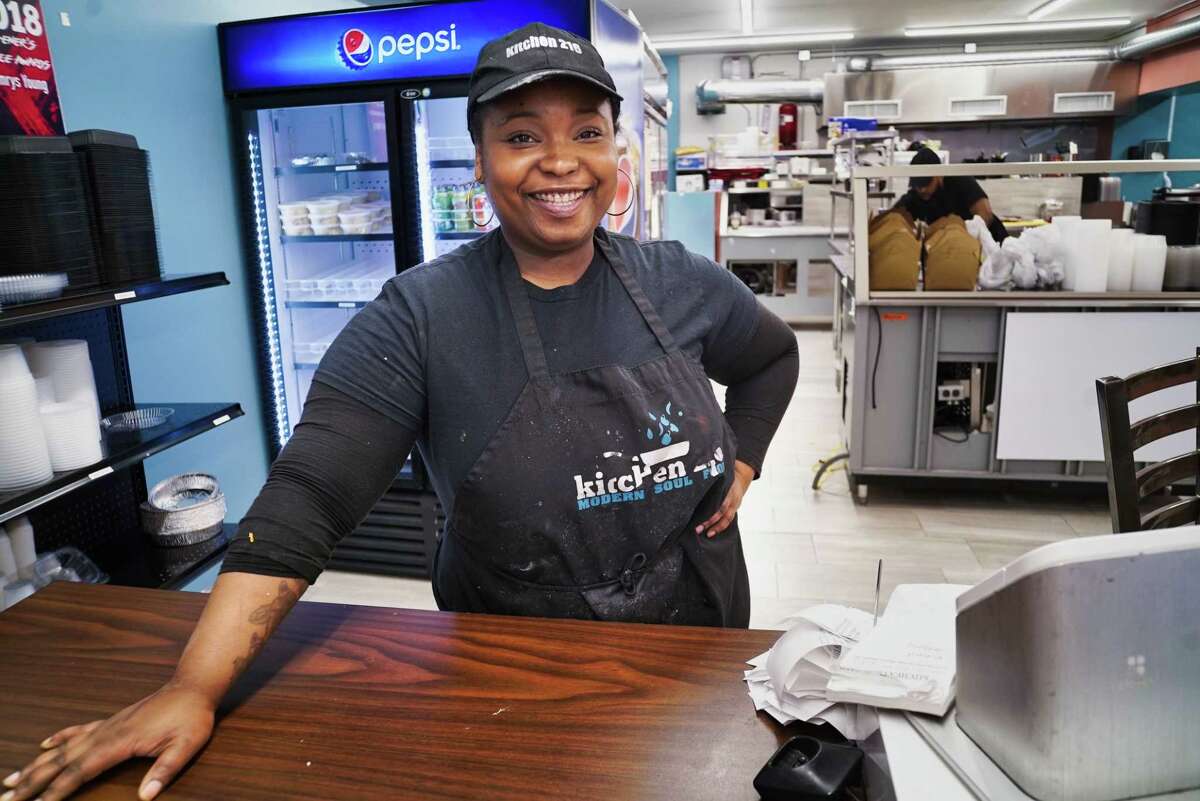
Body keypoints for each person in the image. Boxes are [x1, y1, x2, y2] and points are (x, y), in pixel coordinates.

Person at [2, 22, 798, 801]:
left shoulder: (680, 281)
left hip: (699, 646)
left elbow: (770, 358)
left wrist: (745, 455)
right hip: (516, 676)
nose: (561, 161)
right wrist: (193, 685)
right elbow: (307, 498)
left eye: (586, 131)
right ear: (481, 160)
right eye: (522, 136)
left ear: (616, 151)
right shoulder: (420, 318)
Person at [895, 146, 1009, 243]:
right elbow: (893, 218)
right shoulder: (915, 196)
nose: (922, 189)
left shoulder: (959, 180)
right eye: (918, 184)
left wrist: (963, 239)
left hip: (993, 243)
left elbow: (985, 213)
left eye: (926, 182)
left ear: (939, 175)